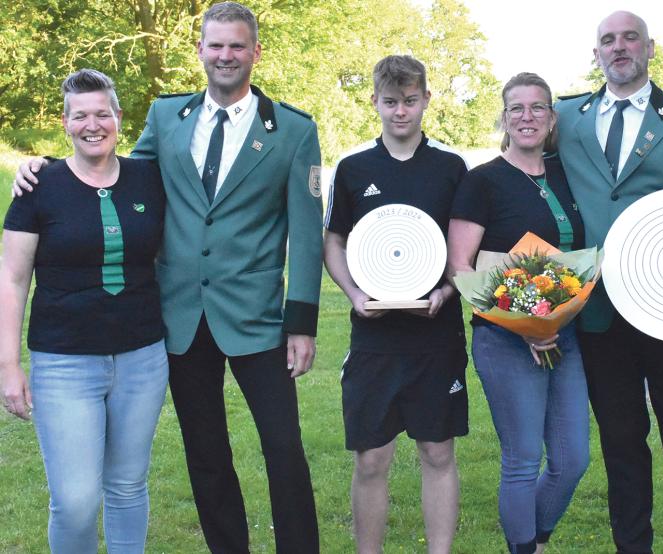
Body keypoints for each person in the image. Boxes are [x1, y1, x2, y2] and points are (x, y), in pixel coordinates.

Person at [13, 3, 325, 552]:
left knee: (283, 448)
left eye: (236, 45)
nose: (225, 55)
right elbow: (116, 175)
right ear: (200, 51)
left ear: (254, 52)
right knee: (206, 455)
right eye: (215, 45)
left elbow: (306, 231)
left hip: (257, 319)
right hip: (179, 319)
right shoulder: (167, 117)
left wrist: (301, 322)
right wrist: (45, 167)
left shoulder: (293, 131)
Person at [554, 11, 663, 554]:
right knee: (622, 446)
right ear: (597, 53)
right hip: (600, 312)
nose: (619, 47)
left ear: (651, 48)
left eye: (630, 38)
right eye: (608, 40)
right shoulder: (566, 117)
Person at [0, 69, 169, 552]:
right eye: (80, 116)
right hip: (64, 362)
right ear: (65, 122)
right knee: (74, 499)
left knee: (128, 486)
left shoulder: (148, 178)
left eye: (102, 113)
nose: (92, 125)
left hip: (142, 358)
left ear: (118, 117)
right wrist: (8, 366)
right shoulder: (39, 186)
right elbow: (12, 279)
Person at [323, 55, 468, 554]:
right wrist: (356, 295)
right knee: (371, 460)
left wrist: (448, 291)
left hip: (436, 335)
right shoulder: (353, 168)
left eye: (410, 101)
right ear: (375, 103)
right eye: (390, 102)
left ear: (427, 99)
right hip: (375, 339)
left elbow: (461, 248)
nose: (400, 112)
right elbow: (334, 242)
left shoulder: (451, 168)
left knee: (437, 450)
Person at [448, 72, 590, 554]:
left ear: (552, 118)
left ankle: (536, 539)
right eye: (517, 109)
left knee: (572, 460)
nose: (527, 117)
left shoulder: (568, 176)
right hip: (505, 340)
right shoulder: (482, 181)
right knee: (524, 458)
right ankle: (524, 547)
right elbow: (461, 266)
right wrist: (523, 325)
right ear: (504, 118)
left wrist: (551, 322)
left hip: (564, 337)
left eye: (537, 108)